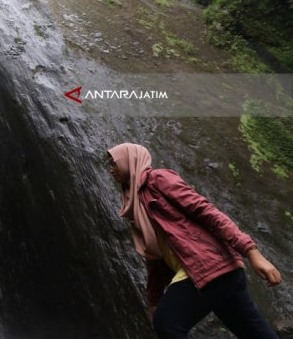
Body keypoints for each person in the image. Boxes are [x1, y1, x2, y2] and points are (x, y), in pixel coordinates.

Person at [106, 142, 283, 339]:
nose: (110, 169)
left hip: (209, 268)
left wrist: (251, 252)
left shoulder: (157, 179)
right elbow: (155, 257)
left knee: (168, 323)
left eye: (114, 163)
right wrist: (154, 301)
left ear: (129, 161)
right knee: (255, 333)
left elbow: (206, 211)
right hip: (222, 276)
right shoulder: (136, 205)